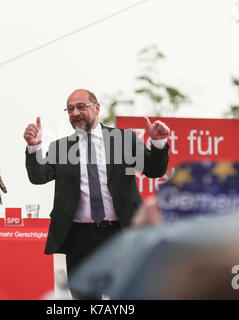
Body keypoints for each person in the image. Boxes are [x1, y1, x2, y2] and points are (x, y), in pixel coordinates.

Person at [23, 89, 170, 298]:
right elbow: (39, 176)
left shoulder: (123, 140)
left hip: (121, 233)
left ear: (97, 107)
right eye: (70, 109)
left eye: (81, 106)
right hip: (79, 238)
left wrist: (157, 143)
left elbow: (154, 170)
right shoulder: (61, 147)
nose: (75, 113)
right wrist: (34, 148)